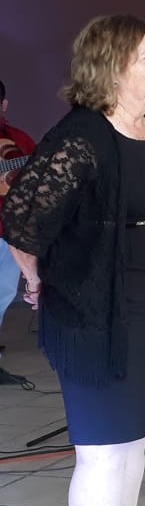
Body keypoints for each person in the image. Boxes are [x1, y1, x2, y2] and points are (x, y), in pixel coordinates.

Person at [1, 15, 145, 506]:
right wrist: (36, 281)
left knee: (131, 446)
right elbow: (21, 218)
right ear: (110, 65)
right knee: (103, 453)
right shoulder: (79, 135)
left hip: (144, 308)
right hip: (92, 315)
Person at [0, 79, 37, 385]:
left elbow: (40, 180)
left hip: (6, 230)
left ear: (4, 105)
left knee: (2, 293)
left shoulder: (20, 141)